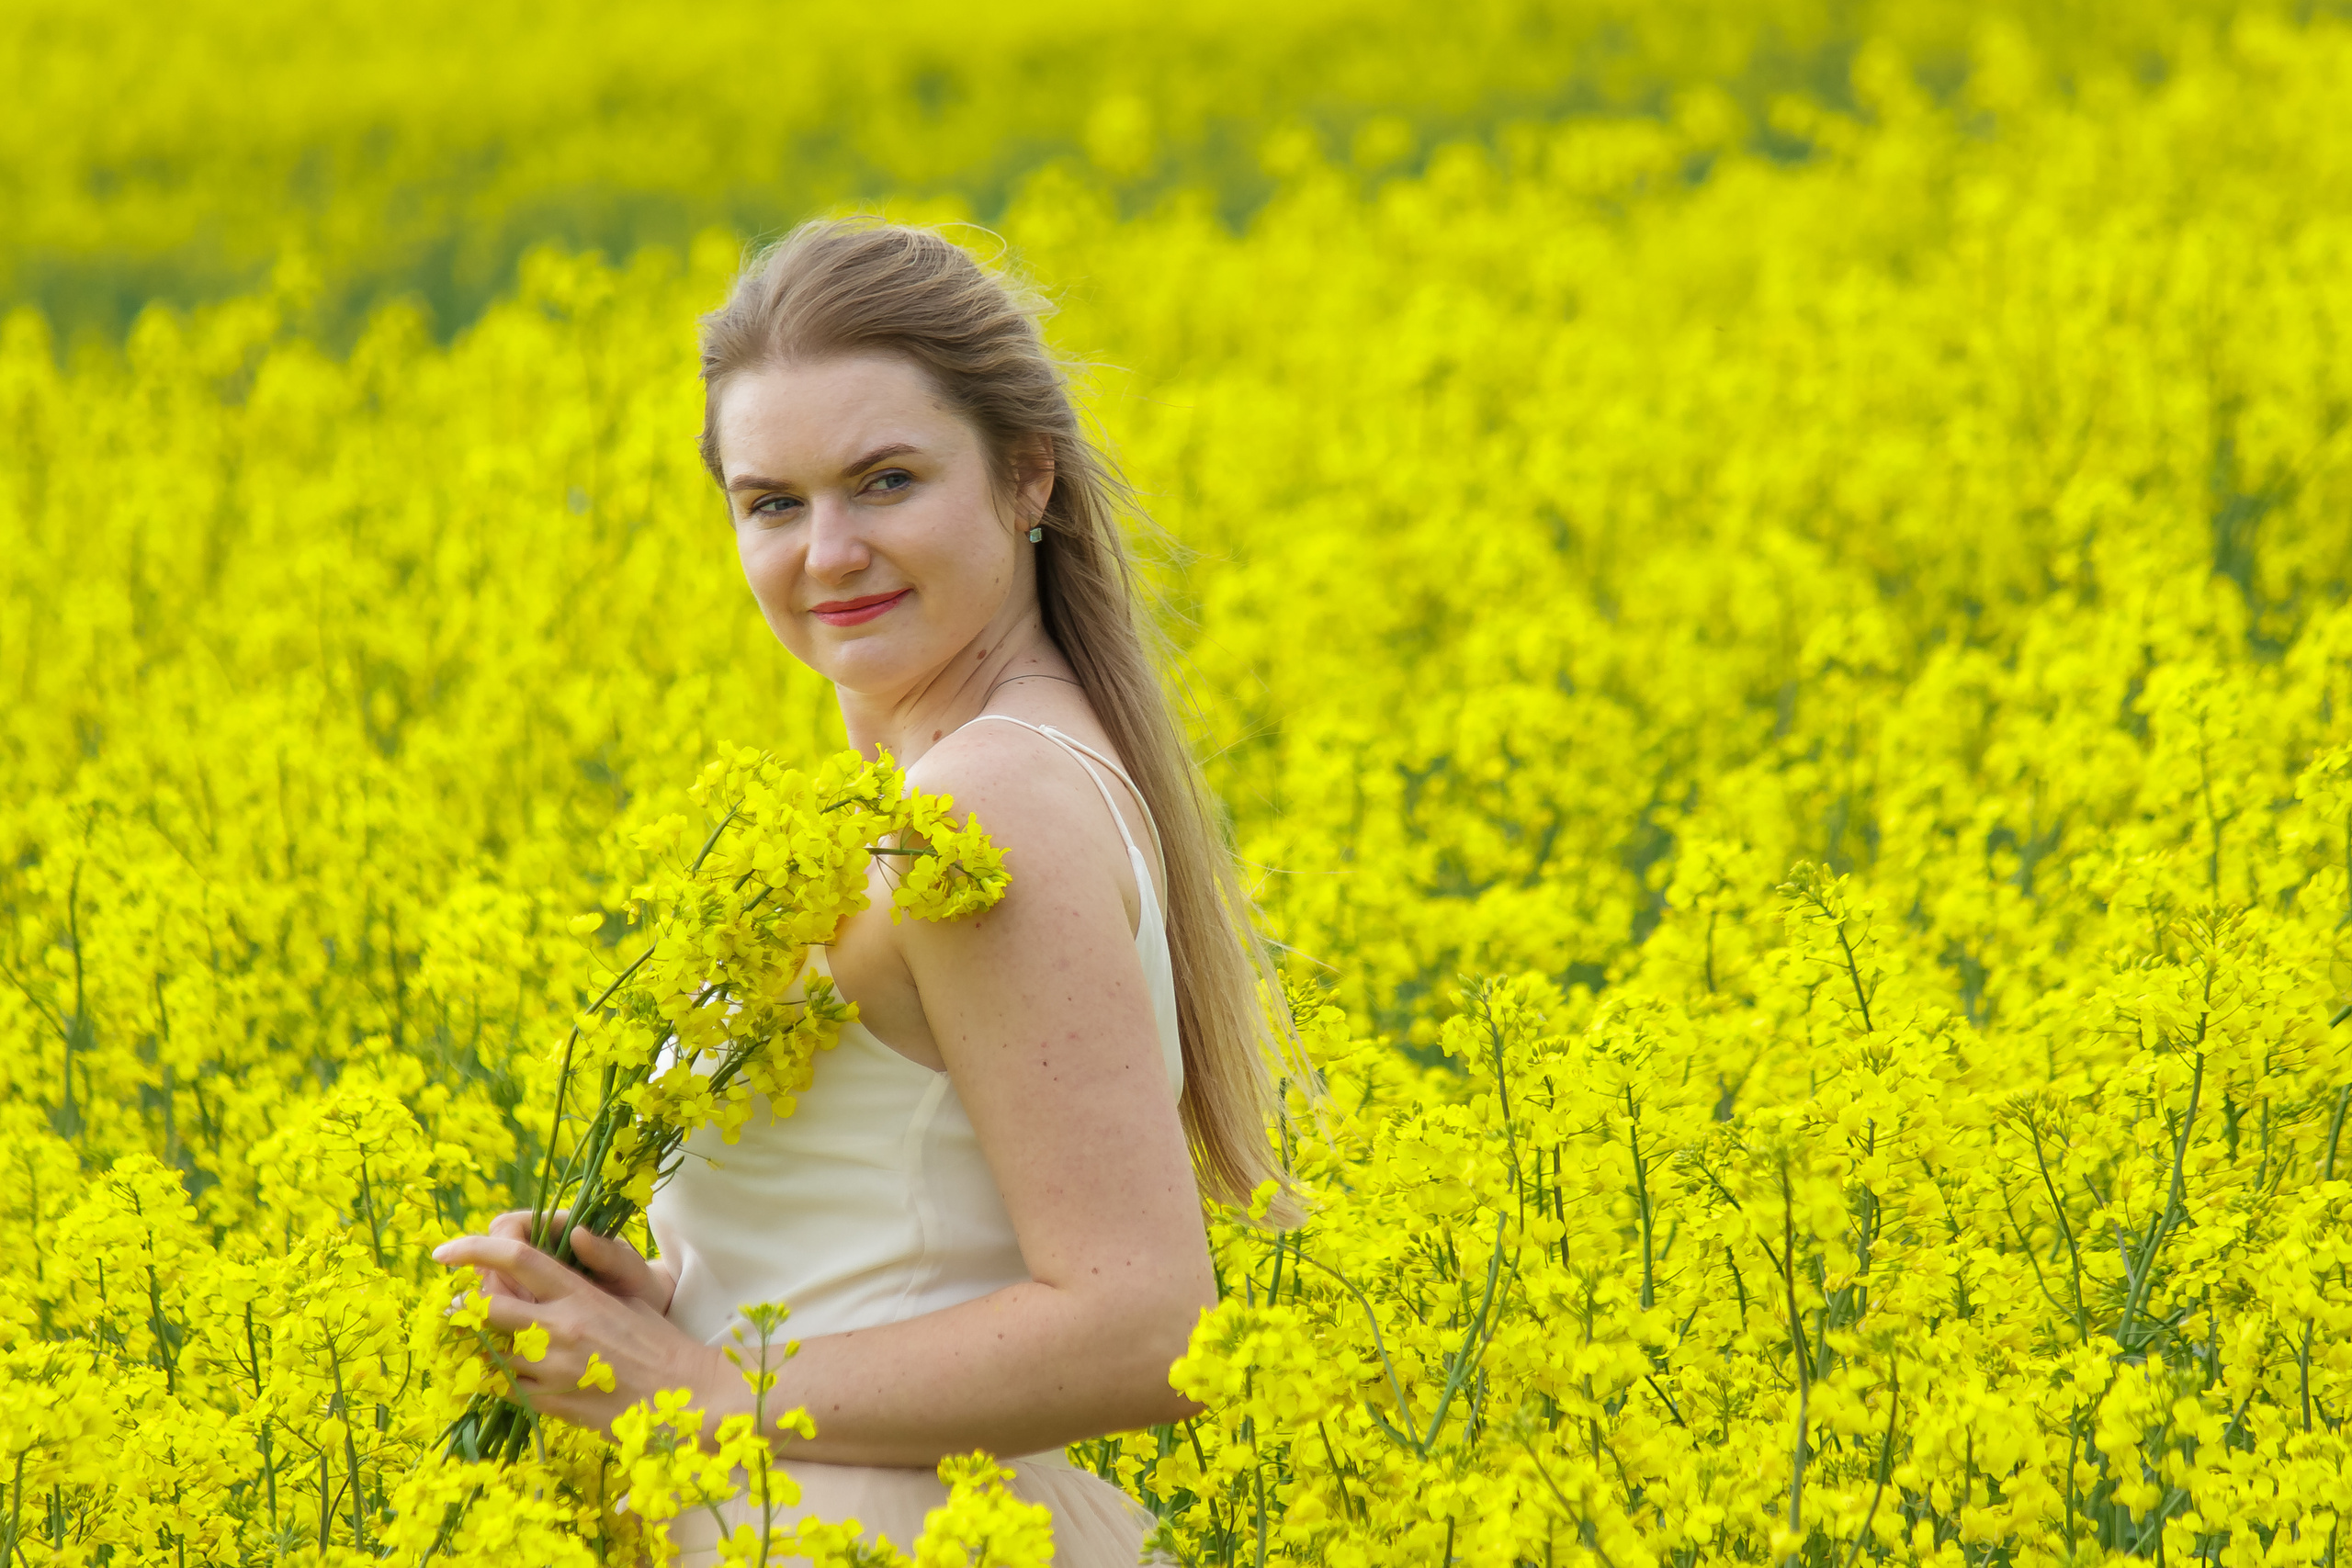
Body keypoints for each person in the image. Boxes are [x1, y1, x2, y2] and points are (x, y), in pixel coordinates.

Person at [432, 218, 1300, 1565]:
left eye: (884, 481)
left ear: (1028, 481)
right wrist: (661, 1305)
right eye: (772, 502)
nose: (826, 552)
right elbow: (909, 1239)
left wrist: (709, 1390)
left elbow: (1145, 1326)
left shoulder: (980, 812)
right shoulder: (960, 781)